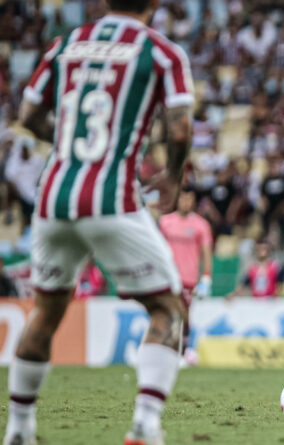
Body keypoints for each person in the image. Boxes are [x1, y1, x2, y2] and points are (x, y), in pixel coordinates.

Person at [5, 1, 194, 444]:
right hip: (112, 199)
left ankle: (18, 429)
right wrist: (173, 175)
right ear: (154, 4)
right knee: (169, 310)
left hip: (53, 199)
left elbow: (28, 117)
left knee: (45, 314)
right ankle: (146, 425)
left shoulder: (65, 44)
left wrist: (70, 142)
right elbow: (181, 129)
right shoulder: (161, 52)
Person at [159, 188, 213, 357]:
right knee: (166, 313)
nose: (186, 203)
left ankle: (183, 351)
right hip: (168, 277)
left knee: (184, 315)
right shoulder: (165, 222)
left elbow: (206, 252)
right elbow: (157, 248)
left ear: (194, 202)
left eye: (190, 199)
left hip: (188, 278)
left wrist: (206, 277)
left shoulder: (200, 225)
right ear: (177, 200)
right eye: (183, 199)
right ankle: (166, 351)